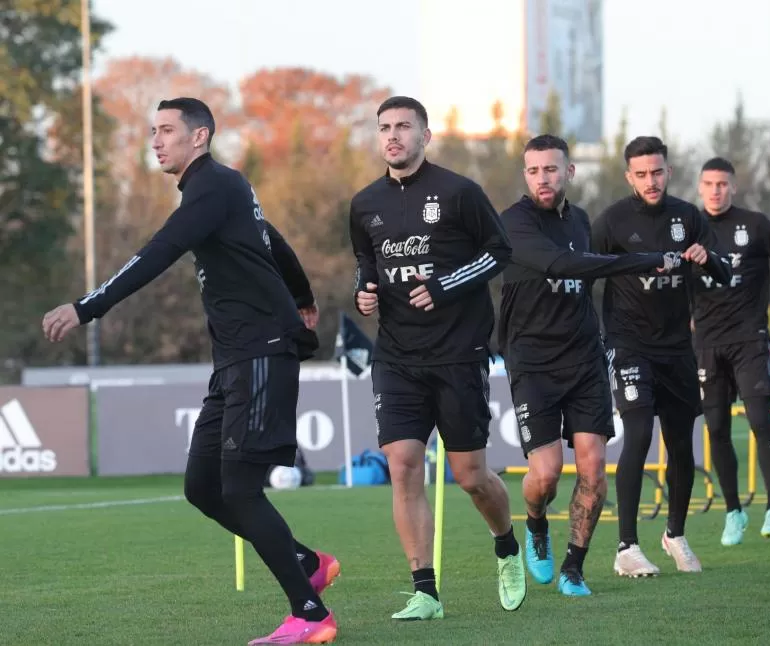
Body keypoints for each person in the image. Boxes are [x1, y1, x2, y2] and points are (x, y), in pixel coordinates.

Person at [41, 98, 338, 645]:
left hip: (262, 351)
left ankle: (311, 614)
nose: (156, 140)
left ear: (199, 137)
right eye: (152, 131)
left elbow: (161, 250)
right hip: (232, 360)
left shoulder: (213, 186)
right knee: (203, 487)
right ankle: (306, 561)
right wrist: (301, 293)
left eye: (167, 131)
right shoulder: (225, 190)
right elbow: (269, 237)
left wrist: (86, 307)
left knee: (242, 490)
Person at [349, 96, 526, 620]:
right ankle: (425, 590)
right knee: (402, 465)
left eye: (404, 126)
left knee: (471, 476)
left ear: (426, 135)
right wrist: (365, 290)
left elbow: (500, 252)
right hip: (397, 356)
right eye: (385, 128)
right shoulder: (364, 203)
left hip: (458, 352)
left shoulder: (459, 193)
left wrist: (445, 285)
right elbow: (366, 260)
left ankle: (506, 544)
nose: (394, 136)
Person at [498, 134, 680, 595]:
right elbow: (561, 265)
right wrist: (642, 260)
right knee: (545, 474)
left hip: (584, 359)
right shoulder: (513, 224)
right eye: (535, 170)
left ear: (569, 172)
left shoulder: (580, 220)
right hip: (533, 363)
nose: (544, 177)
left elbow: (592, 262)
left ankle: (574, 567)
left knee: (594, 469)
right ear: (526, 175)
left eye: (552, 169)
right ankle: (536, 525)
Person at [592, 136, 733, 576]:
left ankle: (675, 534)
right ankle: (627, 547)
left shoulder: (688, 216)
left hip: (677, 347)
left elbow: (724, 271)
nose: (650, 181)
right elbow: (582, 269)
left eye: (657, 172)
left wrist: (706, 257)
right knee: (636, 433)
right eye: (641, 174)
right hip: (629, 343)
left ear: (669, 171)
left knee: (681, 443)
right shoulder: (613, 220)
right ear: (628, 177)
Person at [690, 157, 770, 545]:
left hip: (749, 339)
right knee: (717, 430)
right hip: (706, 344)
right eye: (709, 183)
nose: (715, 190)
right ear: (700, 187)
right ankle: (733, 512)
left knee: (761, 422)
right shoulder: (690, 228)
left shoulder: (754, 224)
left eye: (722, 183)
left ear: (733, 187)